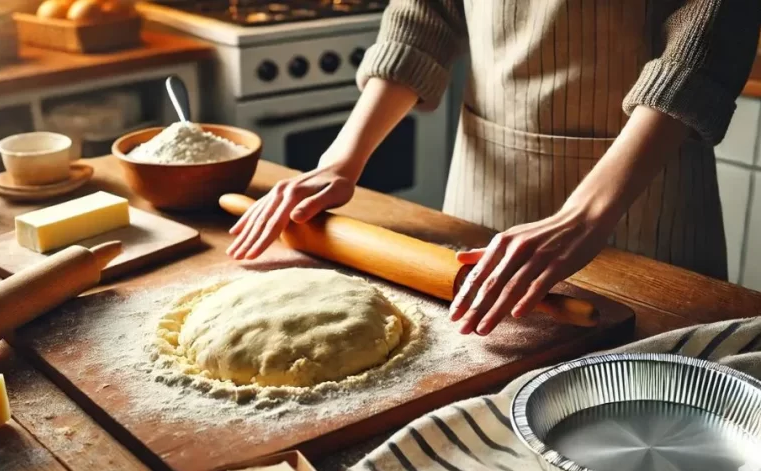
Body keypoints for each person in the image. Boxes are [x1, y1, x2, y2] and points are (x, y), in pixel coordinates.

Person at [228, 0, 761, 335]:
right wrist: (342, 160)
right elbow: (424, 14)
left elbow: (709, 35)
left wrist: (585, 213)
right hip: (484, 184)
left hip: (646, 195)